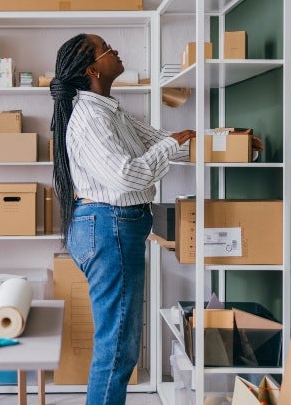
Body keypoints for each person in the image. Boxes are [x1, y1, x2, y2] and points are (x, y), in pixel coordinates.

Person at [49, 33, 195, 404]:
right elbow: (128, 174)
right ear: (93, 68)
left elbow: (163, 140)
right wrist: (172, 144)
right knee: (118, 348)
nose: (116, 51)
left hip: (113, 227)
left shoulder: (109, 111)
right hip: (109, 228)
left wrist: (226, 141)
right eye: (107, 48)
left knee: (120, 344)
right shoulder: (90, 118)